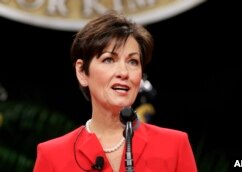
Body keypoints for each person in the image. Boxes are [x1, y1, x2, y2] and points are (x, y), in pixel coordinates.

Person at [33, 10, 197, 172]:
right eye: (109, 59)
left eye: (133, 62)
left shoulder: (174, 147)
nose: (124, 72)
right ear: (82, 72)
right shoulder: (53, 156)